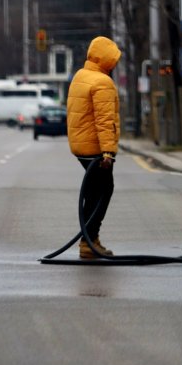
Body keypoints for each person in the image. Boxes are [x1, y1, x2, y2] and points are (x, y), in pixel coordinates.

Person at [67, 36, 121, 259]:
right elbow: (105, 120)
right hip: (95, 148)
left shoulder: (81, 75)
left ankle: (89, 241)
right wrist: (107, 151)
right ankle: (89, 241)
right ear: (106, 59)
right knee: (103, 192)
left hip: (81, 144)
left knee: (93, 192)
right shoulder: (102, 82)